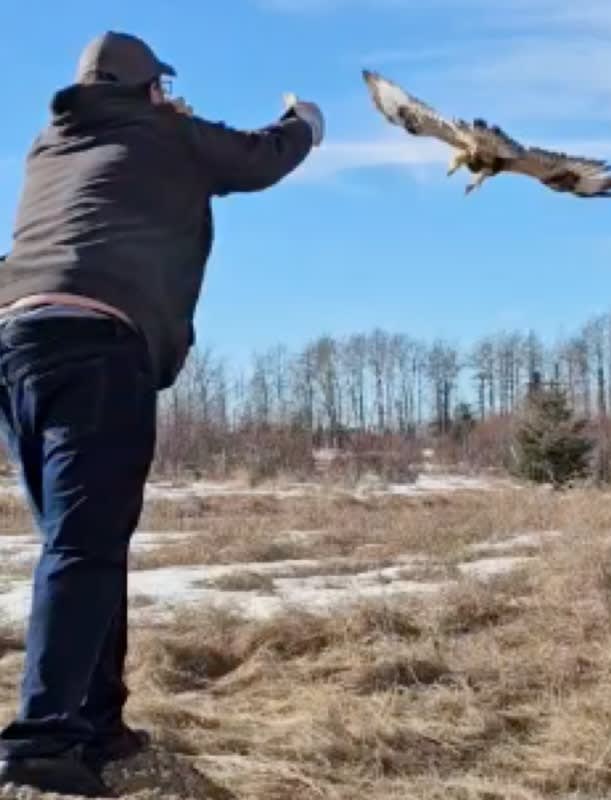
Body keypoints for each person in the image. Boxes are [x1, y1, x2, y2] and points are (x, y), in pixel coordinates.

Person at [0, 31, 324, 797]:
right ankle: (43, 740)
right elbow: (261, 157)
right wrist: (304, 118)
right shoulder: (166, 133)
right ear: (150, 89)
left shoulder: (50, 146)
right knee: (85, 547)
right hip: (96, 344)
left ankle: (97, 722)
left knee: (82, 543)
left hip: (18, 346)